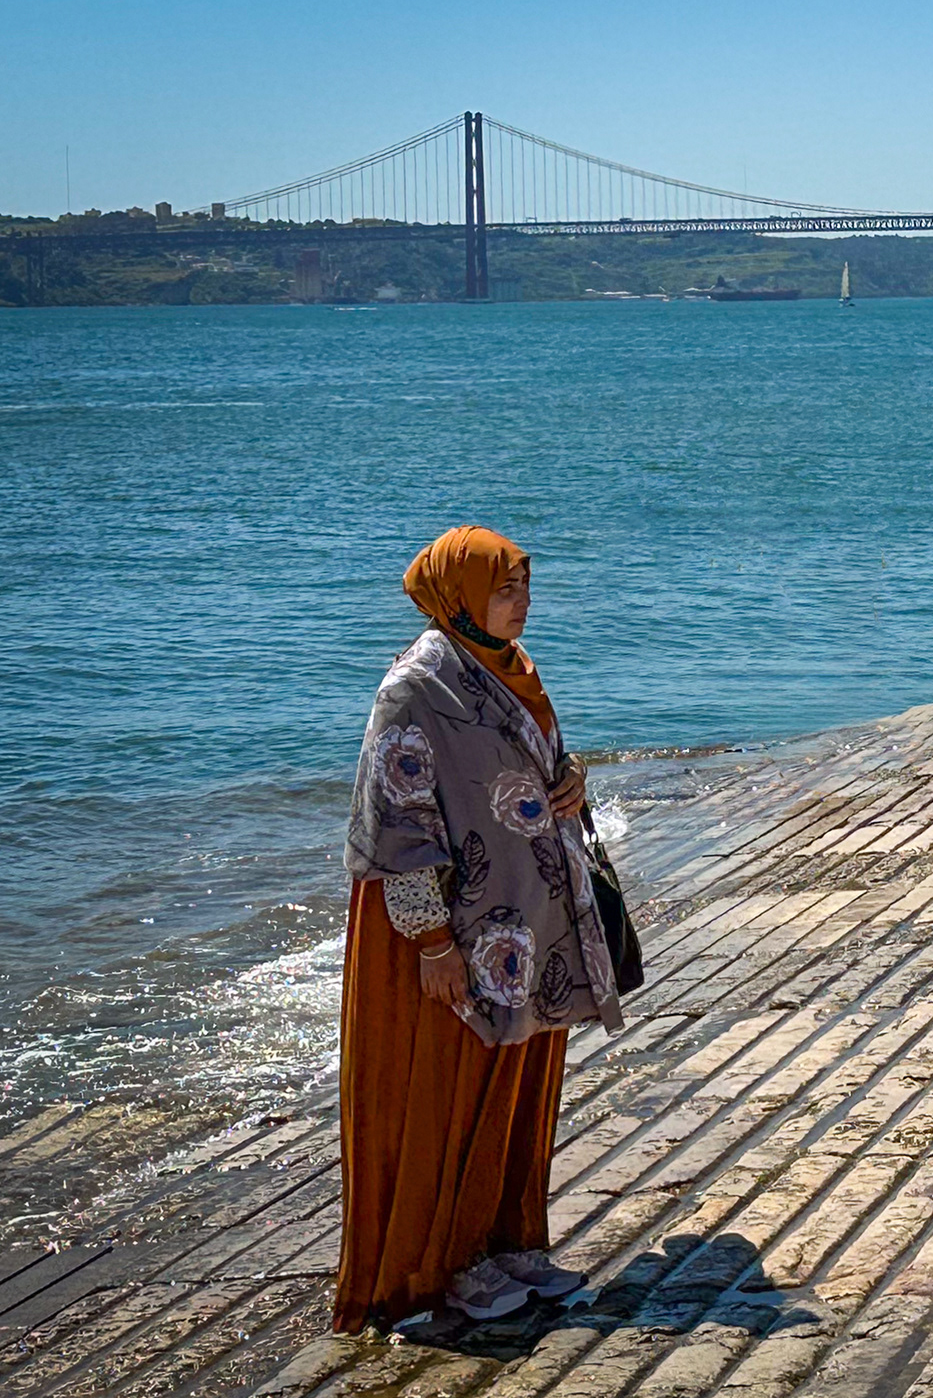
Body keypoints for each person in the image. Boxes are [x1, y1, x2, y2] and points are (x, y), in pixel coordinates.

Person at [333, 525, 627, 1329]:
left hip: (530, 924)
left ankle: (508, 1243)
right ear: (459, 596)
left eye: (525, 586)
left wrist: (570, 780)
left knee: (518, 1085)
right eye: (505, 589)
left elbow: (537, 759)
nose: (522, 603)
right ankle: (448, 1265)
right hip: (456, 933)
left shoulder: (512, 669)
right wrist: (430, 940)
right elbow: (395, 819)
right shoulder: (416, 688)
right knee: (450, 1090)